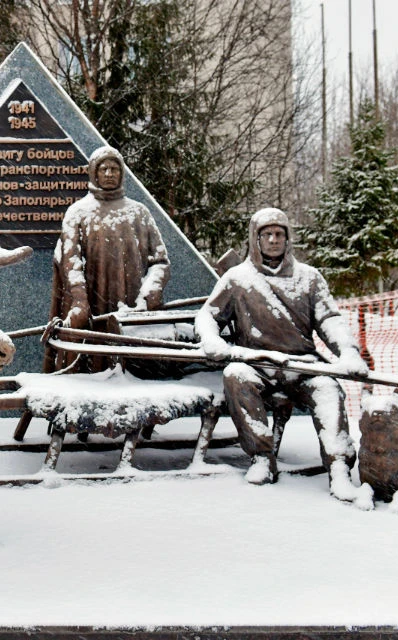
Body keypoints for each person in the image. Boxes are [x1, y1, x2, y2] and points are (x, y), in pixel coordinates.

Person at [194, 207, 370, 499]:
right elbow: (208, 316)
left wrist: (348, 353)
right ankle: (262, 456)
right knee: (235, 376)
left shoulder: (310, 278)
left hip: (303, 365)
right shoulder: (238, 278)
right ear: (256, 239)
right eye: (267, 235)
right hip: (256, 364)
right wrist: (212, 339)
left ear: (288, 239)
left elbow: (329, 320)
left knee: (328, 390)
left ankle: (339, 467)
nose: (274, 240)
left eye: (279, 234)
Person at [43, 146, 170, 373]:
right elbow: (71, 262)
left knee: (133, 365)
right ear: (94, 172)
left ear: (122, 173)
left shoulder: (139, 213)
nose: (110, 174)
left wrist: (152, 291)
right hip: (94, 302)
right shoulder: (78, 212)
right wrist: (80, 299)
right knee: (92, 360)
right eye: (104, 169)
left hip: (132, 303)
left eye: (114, 169)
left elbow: (159, 261)